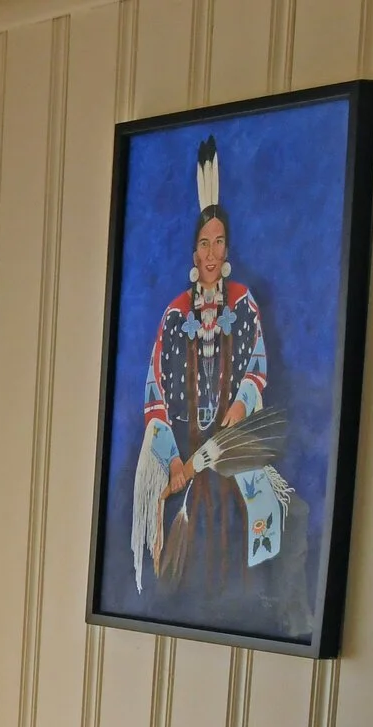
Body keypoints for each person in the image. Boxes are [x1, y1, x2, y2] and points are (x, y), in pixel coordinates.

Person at [131, 136, 309, 630]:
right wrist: (173, 461)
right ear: (195, 250)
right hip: (185, 453)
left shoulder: (243, 303)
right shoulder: (174, 315)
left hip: (232, 446)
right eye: (204, 243)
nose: (212, 253)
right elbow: (156, 392)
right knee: (191, 550)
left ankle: (250, 611)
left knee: (253, 526)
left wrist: (238, 410)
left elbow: (256, 368)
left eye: (219, 242)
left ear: (227, 248)